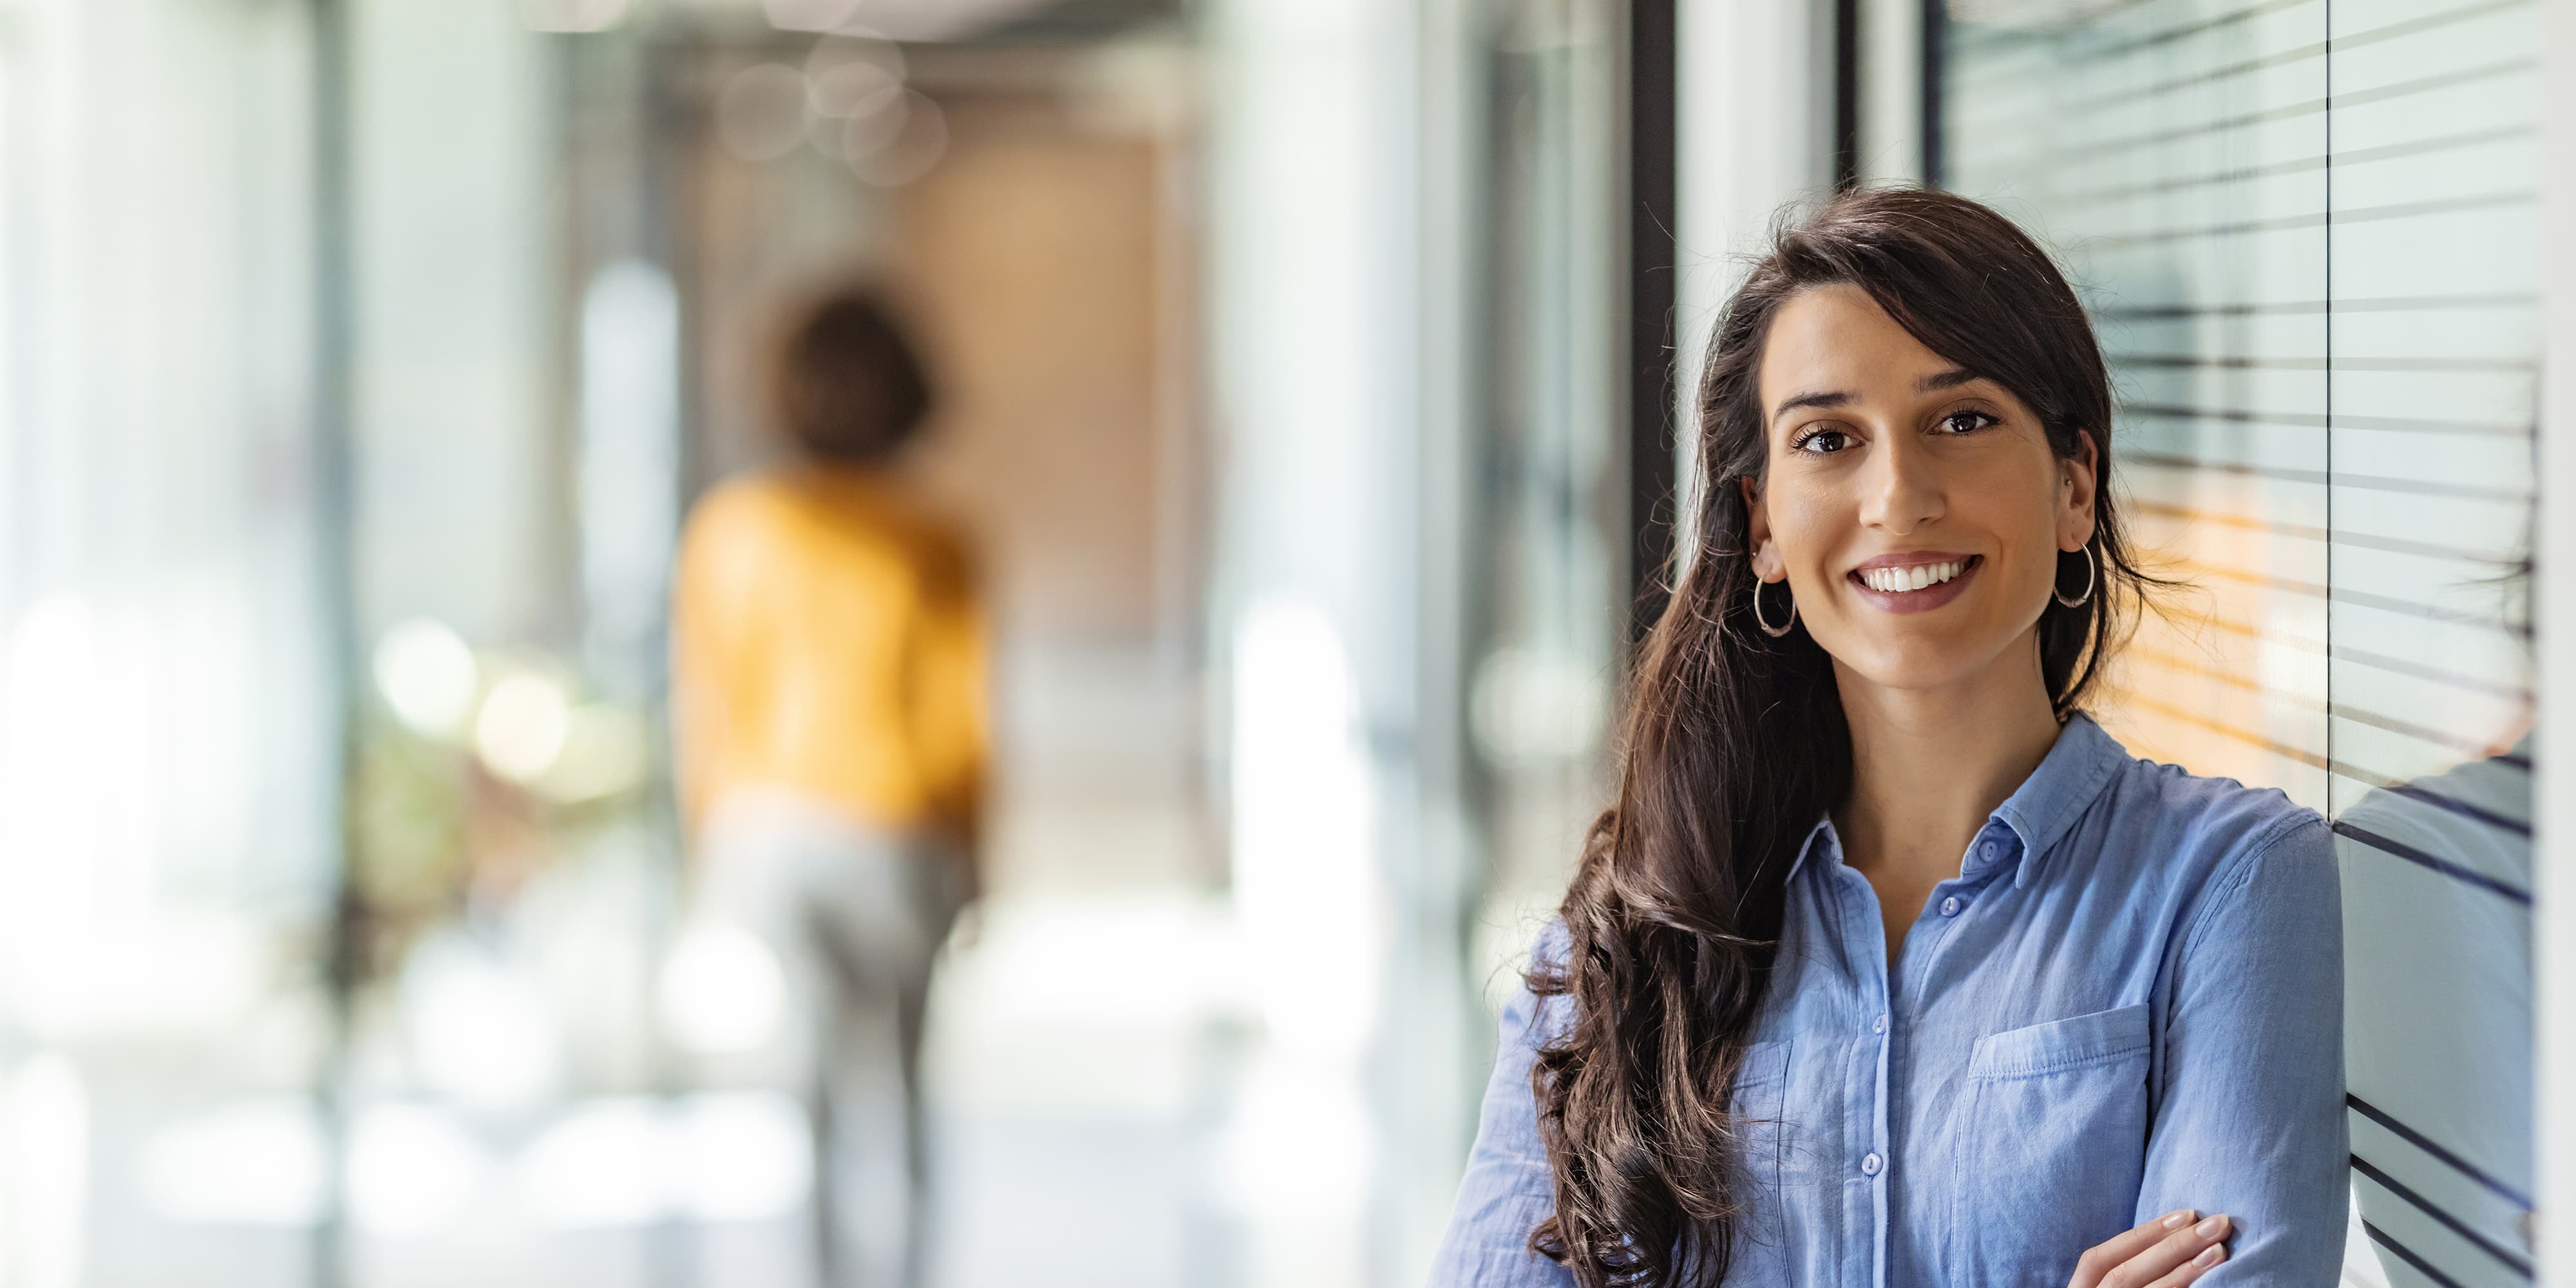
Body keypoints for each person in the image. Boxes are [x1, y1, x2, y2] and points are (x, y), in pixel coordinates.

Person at [1427, 188, 2345, 1287]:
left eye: (1961, 421)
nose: (1899, 497)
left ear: (2074, 486)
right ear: (1763, 525)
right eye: (1828, 440)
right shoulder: (1625, 943)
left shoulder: (2231, 884)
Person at [670, 284, 983, 1288]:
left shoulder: (735, 526)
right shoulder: (932, 535)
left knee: (803, 1095)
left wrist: (705, 845)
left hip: (769, 828)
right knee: (901, 1085)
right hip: (898, 829)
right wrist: (977, 859)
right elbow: (956, 717)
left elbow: (709, 703)